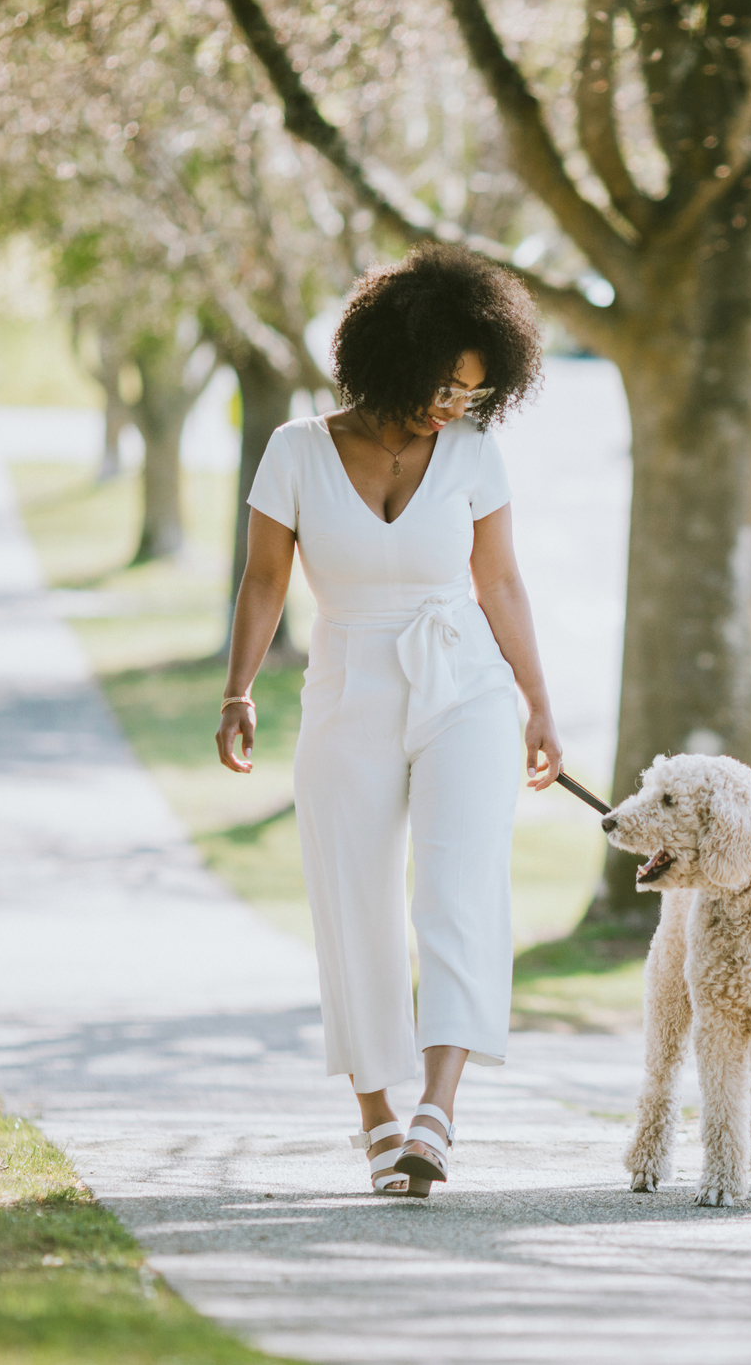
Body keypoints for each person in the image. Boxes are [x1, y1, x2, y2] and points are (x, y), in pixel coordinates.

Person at [215, 243, 562, 1199]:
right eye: (443, 384)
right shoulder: (293, 450)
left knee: (457, 890)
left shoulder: (474, 454)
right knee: (351, 897)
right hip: (347, 685)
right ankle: (374, 1114)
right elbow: (263, 580)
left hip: (467, 689)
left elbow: (498, 582)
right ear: (391, 357)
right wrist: (239, 689)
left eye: (471, 393)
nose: (453, 405)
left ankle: (436, 1115)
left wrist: (538, 703)